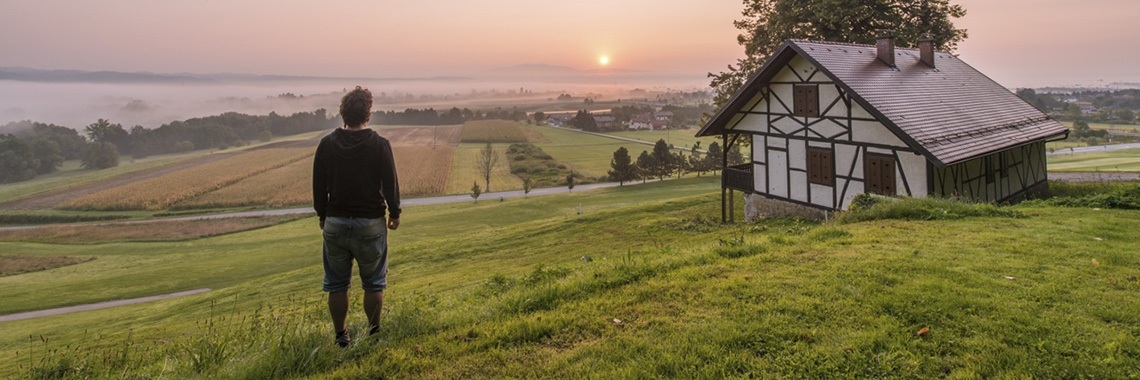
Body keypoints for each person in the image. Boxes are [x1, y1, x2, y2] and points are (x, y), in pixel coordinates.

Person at [312, 86, 401, 347]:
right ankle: (374, 333)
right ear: (368, 114)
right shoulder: (380, 145)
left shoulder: (327, 144)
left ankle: (341, 337)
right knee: (373, 283)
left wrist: (322, 216)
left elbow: (319, 186)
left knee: (337, 284)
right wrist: (394, 213)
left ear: (343, 114)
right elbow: (390, 184)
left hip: (335, 222)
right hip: (370, 223)